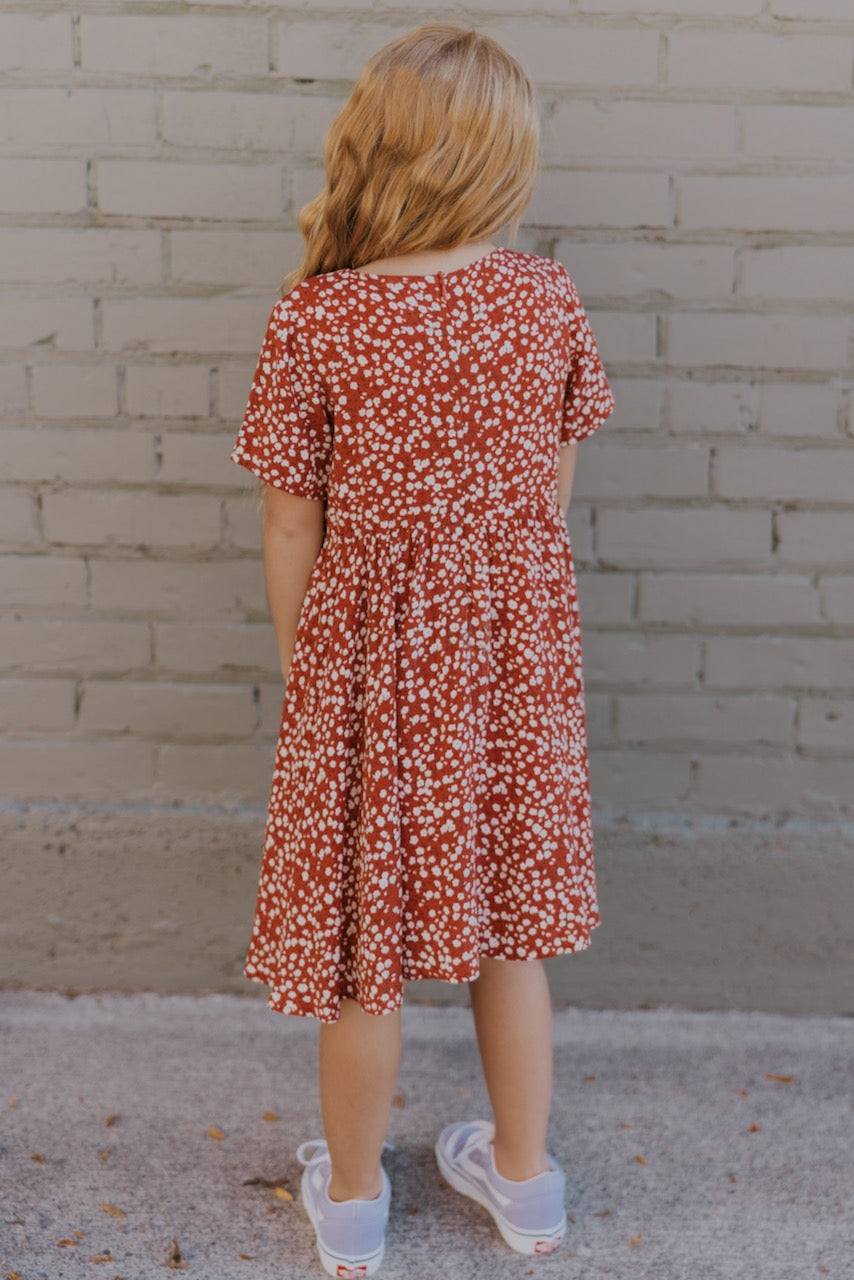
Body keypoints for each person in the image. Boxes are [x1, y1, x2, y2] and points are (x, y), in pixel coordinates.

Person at [230, 22, 615, 1279]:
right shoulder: (542, 297)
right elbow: (543, 502)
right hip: (509, 663)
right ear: (500, 162)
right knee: (511, 927)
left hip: (370, 668)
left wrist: (314, 669)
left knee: (364, 938)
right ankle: (524, 1179)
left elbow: (292, 519)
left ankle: (350, 1203)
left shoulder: (318, 317)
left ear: (374, 149)